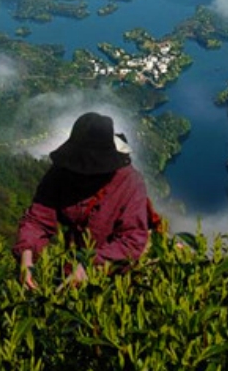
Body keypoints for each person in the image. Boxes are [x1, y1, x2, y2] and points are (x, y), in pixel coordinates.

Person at [14, 111, 152, 289]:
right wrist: (27, 257)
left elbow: (131, 239)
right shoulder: (62, 172)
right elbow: (38, 219)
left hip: (113, 279)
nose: (84, 174)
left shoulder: (129, 183)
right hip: (70, 266)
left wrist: (90, 265)